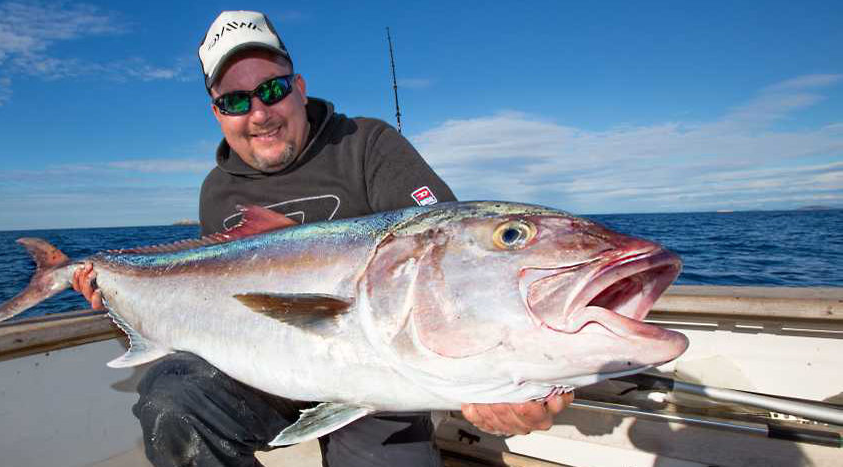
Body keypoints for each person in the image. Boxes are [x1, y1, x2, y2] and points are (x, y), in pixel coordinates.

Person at [73, 10, 573, 467]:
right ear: (216, 113)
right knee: (171, 403)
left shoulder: (369, 145)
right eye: (234, 101)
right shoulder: (217, 190)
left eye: (271, 90)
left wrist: (511, 375)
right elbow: (202, 305)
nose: (260, 112)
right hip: (261, 371)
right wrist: (123, 301)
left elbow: (453, 264)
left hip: (383, 381)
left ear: (299, 87)